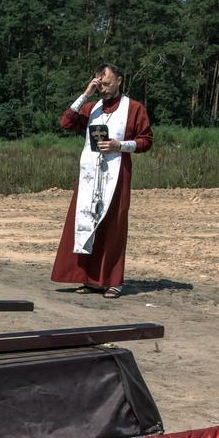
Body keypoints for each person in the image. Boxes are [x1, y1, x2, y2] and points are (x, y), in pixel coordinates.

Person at [51, 64, 153, 298]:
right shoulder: (92, 107)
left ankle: (112, 281)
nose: (103, 89)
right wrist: (86, 93)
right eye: (99, 84)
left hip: (117, 173)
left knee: (113, 226)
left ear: (119, 80)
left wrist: (120, 145)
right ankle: (88, 279)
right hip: (89, 176)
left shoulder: (134, 108)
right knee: (86, 222)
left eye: (106, 83)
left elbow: (146, 141)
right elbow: (66, 123)